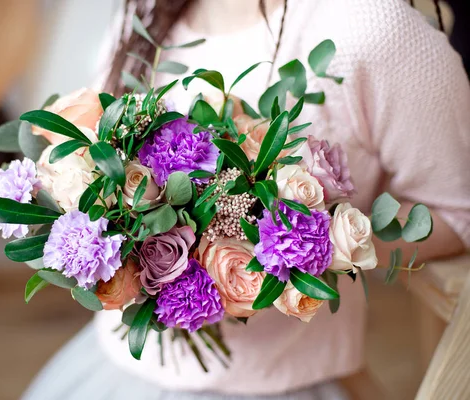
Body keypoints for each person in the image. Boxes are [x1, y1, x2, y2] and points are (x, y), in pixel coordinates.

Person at [23, 0, 470, 399]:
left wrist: (311, 250)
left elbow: (458, 213)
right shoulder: (144, 11)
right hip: (123, 370)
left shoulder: (369, 28)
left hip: (285, 381)